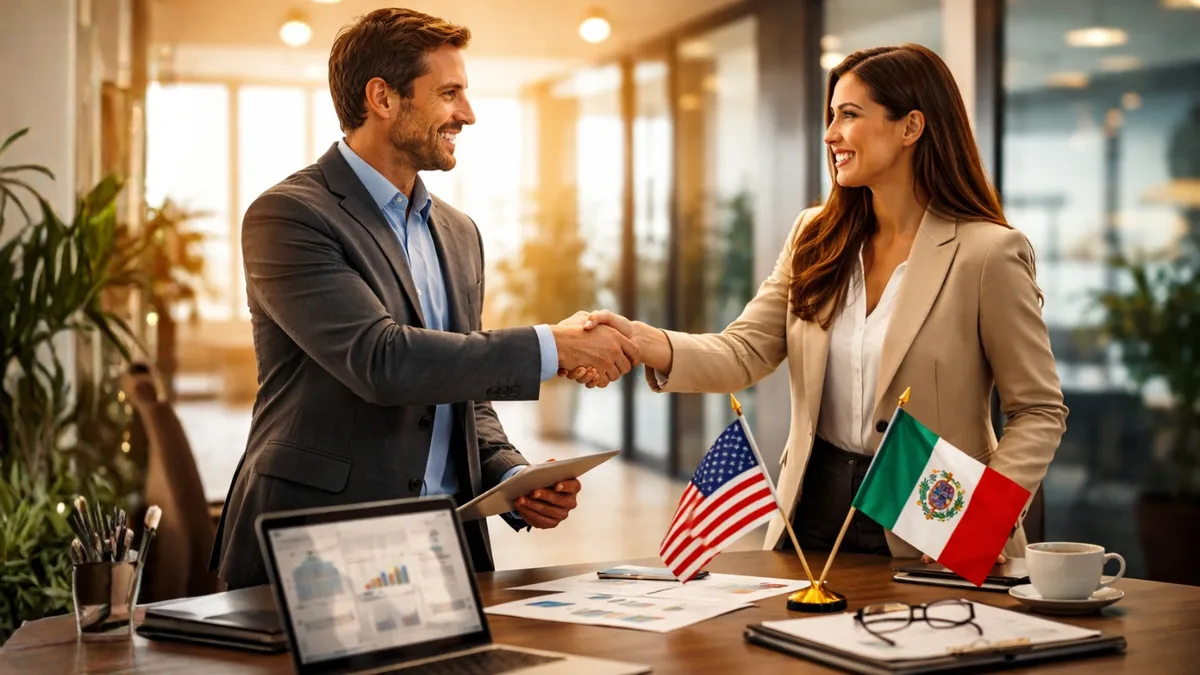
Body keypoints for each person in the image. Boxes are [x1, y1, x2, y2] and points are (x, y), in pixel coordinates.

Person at [567, 44, 1067, 562]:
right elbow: (745, 352)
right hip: (813, 513)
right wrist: (647, 341)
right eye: (831, 117)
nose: (830, 135)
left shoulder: (987, 252)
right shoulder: (815, 236)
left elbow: (1038, 410)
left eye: (849, 115)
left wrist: (982, 521)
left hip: (932, 520)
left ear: (910, 127)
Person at [210, 8, 639, 590]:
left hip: (444, 551)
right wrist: (552, 346)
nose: (468, 113)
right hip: (317, 547)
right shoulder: (290, 215)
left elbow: (464, 390)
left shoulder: (459, 233)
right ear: (382, 98)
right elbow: (382, 361)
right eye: (449, 93)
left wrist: (512, 478)